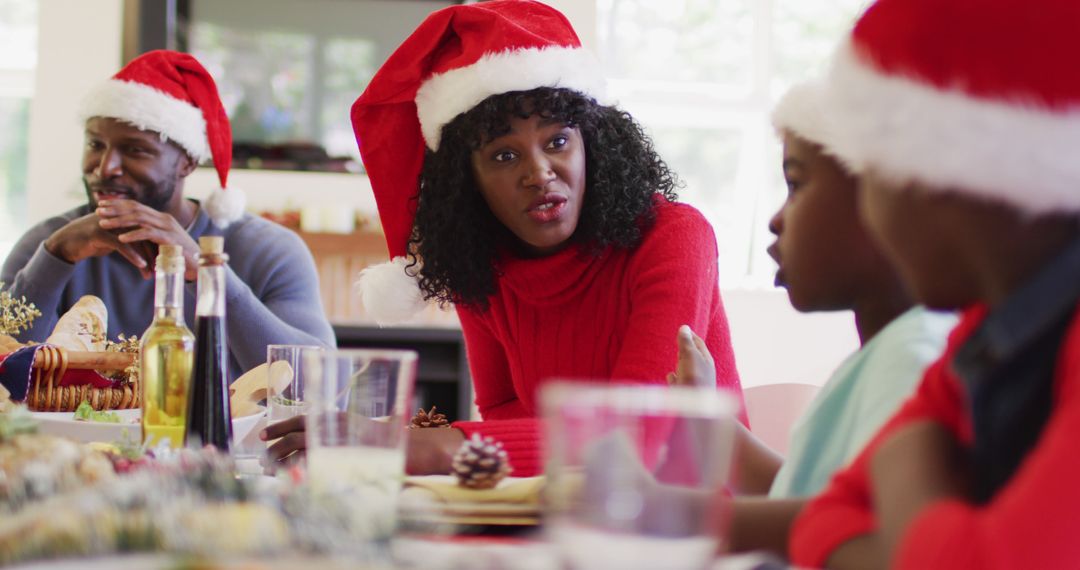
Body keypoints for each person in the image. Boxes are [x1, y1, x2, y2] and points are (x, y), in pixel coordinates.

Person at [263, 0, 744, 476]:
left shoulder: (675, 235)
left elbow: (636, 431)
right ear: (465, 181)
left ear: (593, 143)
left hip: (692, 519)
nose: (539, 173)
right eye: (503, 157)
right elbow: (503, 409)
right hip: (557, 510)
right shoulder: (481, 263)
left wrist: (426, 445)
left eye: (557, 141)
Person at [785, 0, 1080, 567]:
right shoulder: (985, 332)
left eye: (869, 176)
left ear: (929, 175)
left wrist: (905, 458)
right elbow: (823, 520)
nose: (870, 212)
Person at [673, 80, 956, 552]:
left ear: (888, 203)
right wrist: (711, 426)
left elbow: (874, 531)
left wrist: (667, 513)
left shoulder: (912, 356)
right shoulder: (884, 355)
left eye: (797, 185)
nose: (776, 220)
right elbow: (806, 496)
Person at [1, 50, 335, 381]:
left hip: (222, 437)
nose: (105, 168)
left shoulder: (268, 250)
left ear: (187, 161)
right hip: (70, 437)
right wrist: (55, 256)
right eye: (95, 145)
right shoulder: (52, 242)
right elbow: (5, 373)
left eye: (135, 150)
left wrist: (207, 274)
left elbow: (319, 385)